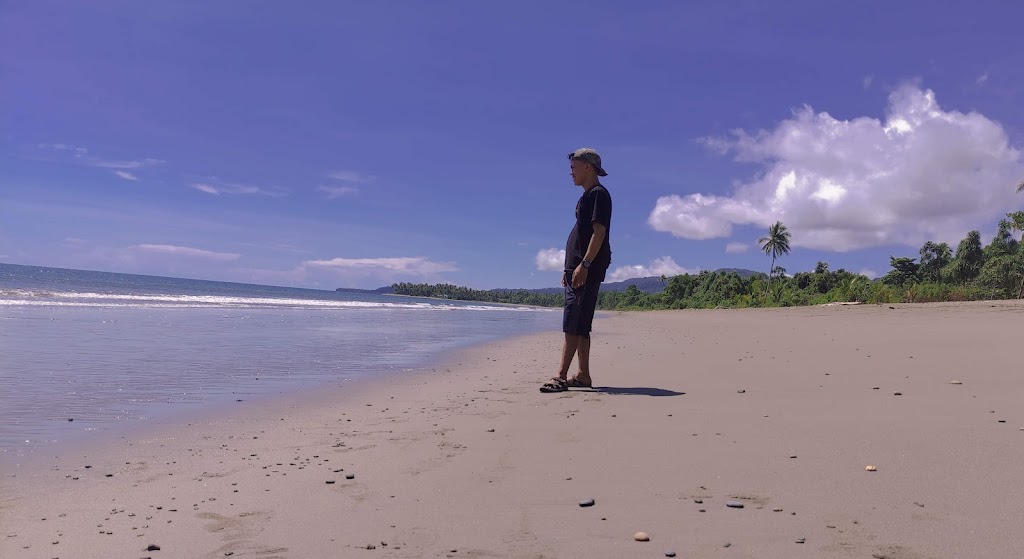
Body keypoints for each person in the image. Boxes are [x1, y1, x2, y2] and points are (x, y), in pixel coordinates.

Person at [540, 148, 612, 393]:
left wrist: (585, 264)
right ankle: (583, 375)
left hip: (585, 268)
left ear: (588, 167)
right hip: (578, 268)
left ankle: (560, 376)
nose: (571, 172)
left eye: (574, 167)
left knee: (573, 321)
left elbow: (599, 233)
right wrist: (568, 268)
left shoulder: (598, 194)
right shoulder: (587, 196)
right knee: (580, 324)